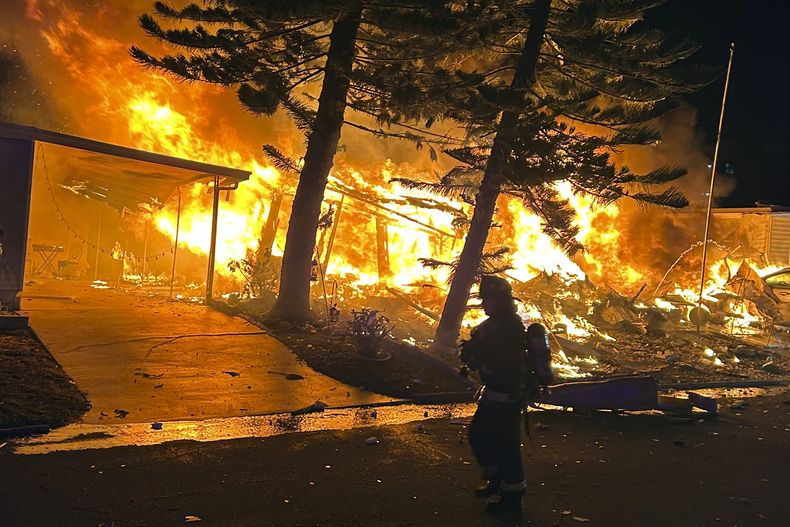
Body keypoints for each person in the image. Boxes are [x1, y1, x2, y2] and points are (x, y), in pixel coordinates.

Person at [459, 275, 549, 516]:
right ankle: (495, 480)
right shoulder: (495, 323)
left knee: (505, 449)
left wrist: (480, 357)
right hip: (493, 395)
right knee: (479, 436)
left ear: (499, 300)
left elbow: (504, 362)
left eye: (487, 299)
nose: (484, 305)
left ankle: (513, 500)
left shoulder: (508, 327)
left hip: (506, 398)